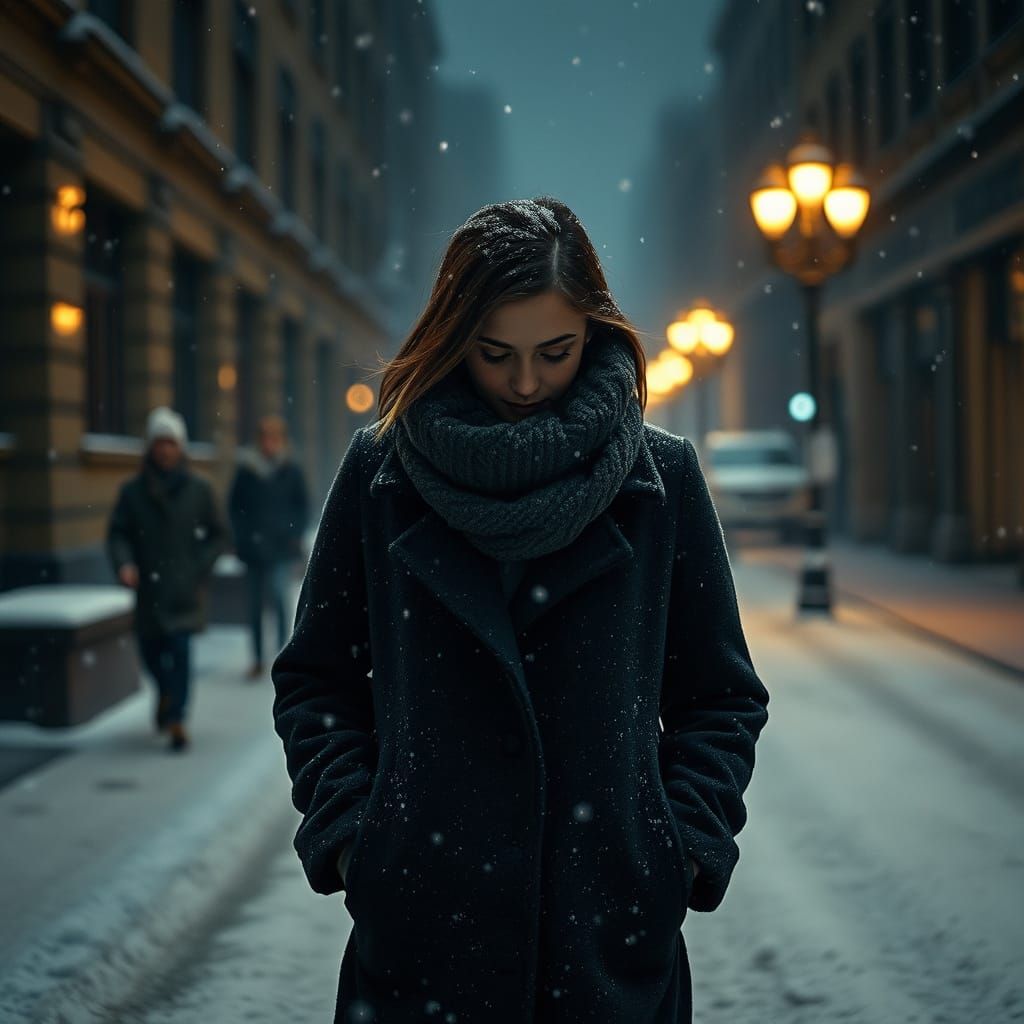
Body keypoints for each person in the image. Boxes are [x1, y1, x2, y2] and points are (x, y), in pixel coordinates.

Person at [271, 197, 769, 1023]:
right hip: (422, 942)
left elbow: (721, 697)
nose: (526, 383)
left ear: (594, 335)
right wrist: (361, 844)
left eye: (555, 352)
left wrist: (675, 853)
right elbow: (317, 682)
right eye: (495, 353)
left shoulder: (662, 481)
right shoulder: (381, 476)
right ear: (452, 336)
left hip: (608, 945)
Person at [108, 406, 228, 752]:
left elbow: (219, 535)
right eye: (159, 442)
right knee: (150, 654)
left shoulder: (199, 489)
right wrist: (125, 564)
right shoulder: (133, 492)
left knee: (180, 652)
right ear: (150, 447)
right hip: (148, 590)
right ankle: (165, 694)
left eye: (171, 443)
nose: (165, 449)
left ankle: (176, 718)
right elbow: (118, 534)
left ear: (181, 447)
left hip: (184, 590)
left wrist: (198, 566)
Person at [228, 414, 310, 679]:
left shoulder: (291, 470)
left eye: (274, 438)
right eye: (266, 438)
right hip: (253, 548)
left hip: (281, 547)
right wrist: (241, 537)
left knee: (280, 598)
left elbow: (302, 506)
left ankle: (284, 654)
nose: (270, 443)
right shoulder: (247, 470)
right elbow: (235, 507)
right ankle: (257, 658)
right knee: (255, 605)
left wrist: (294, 533)